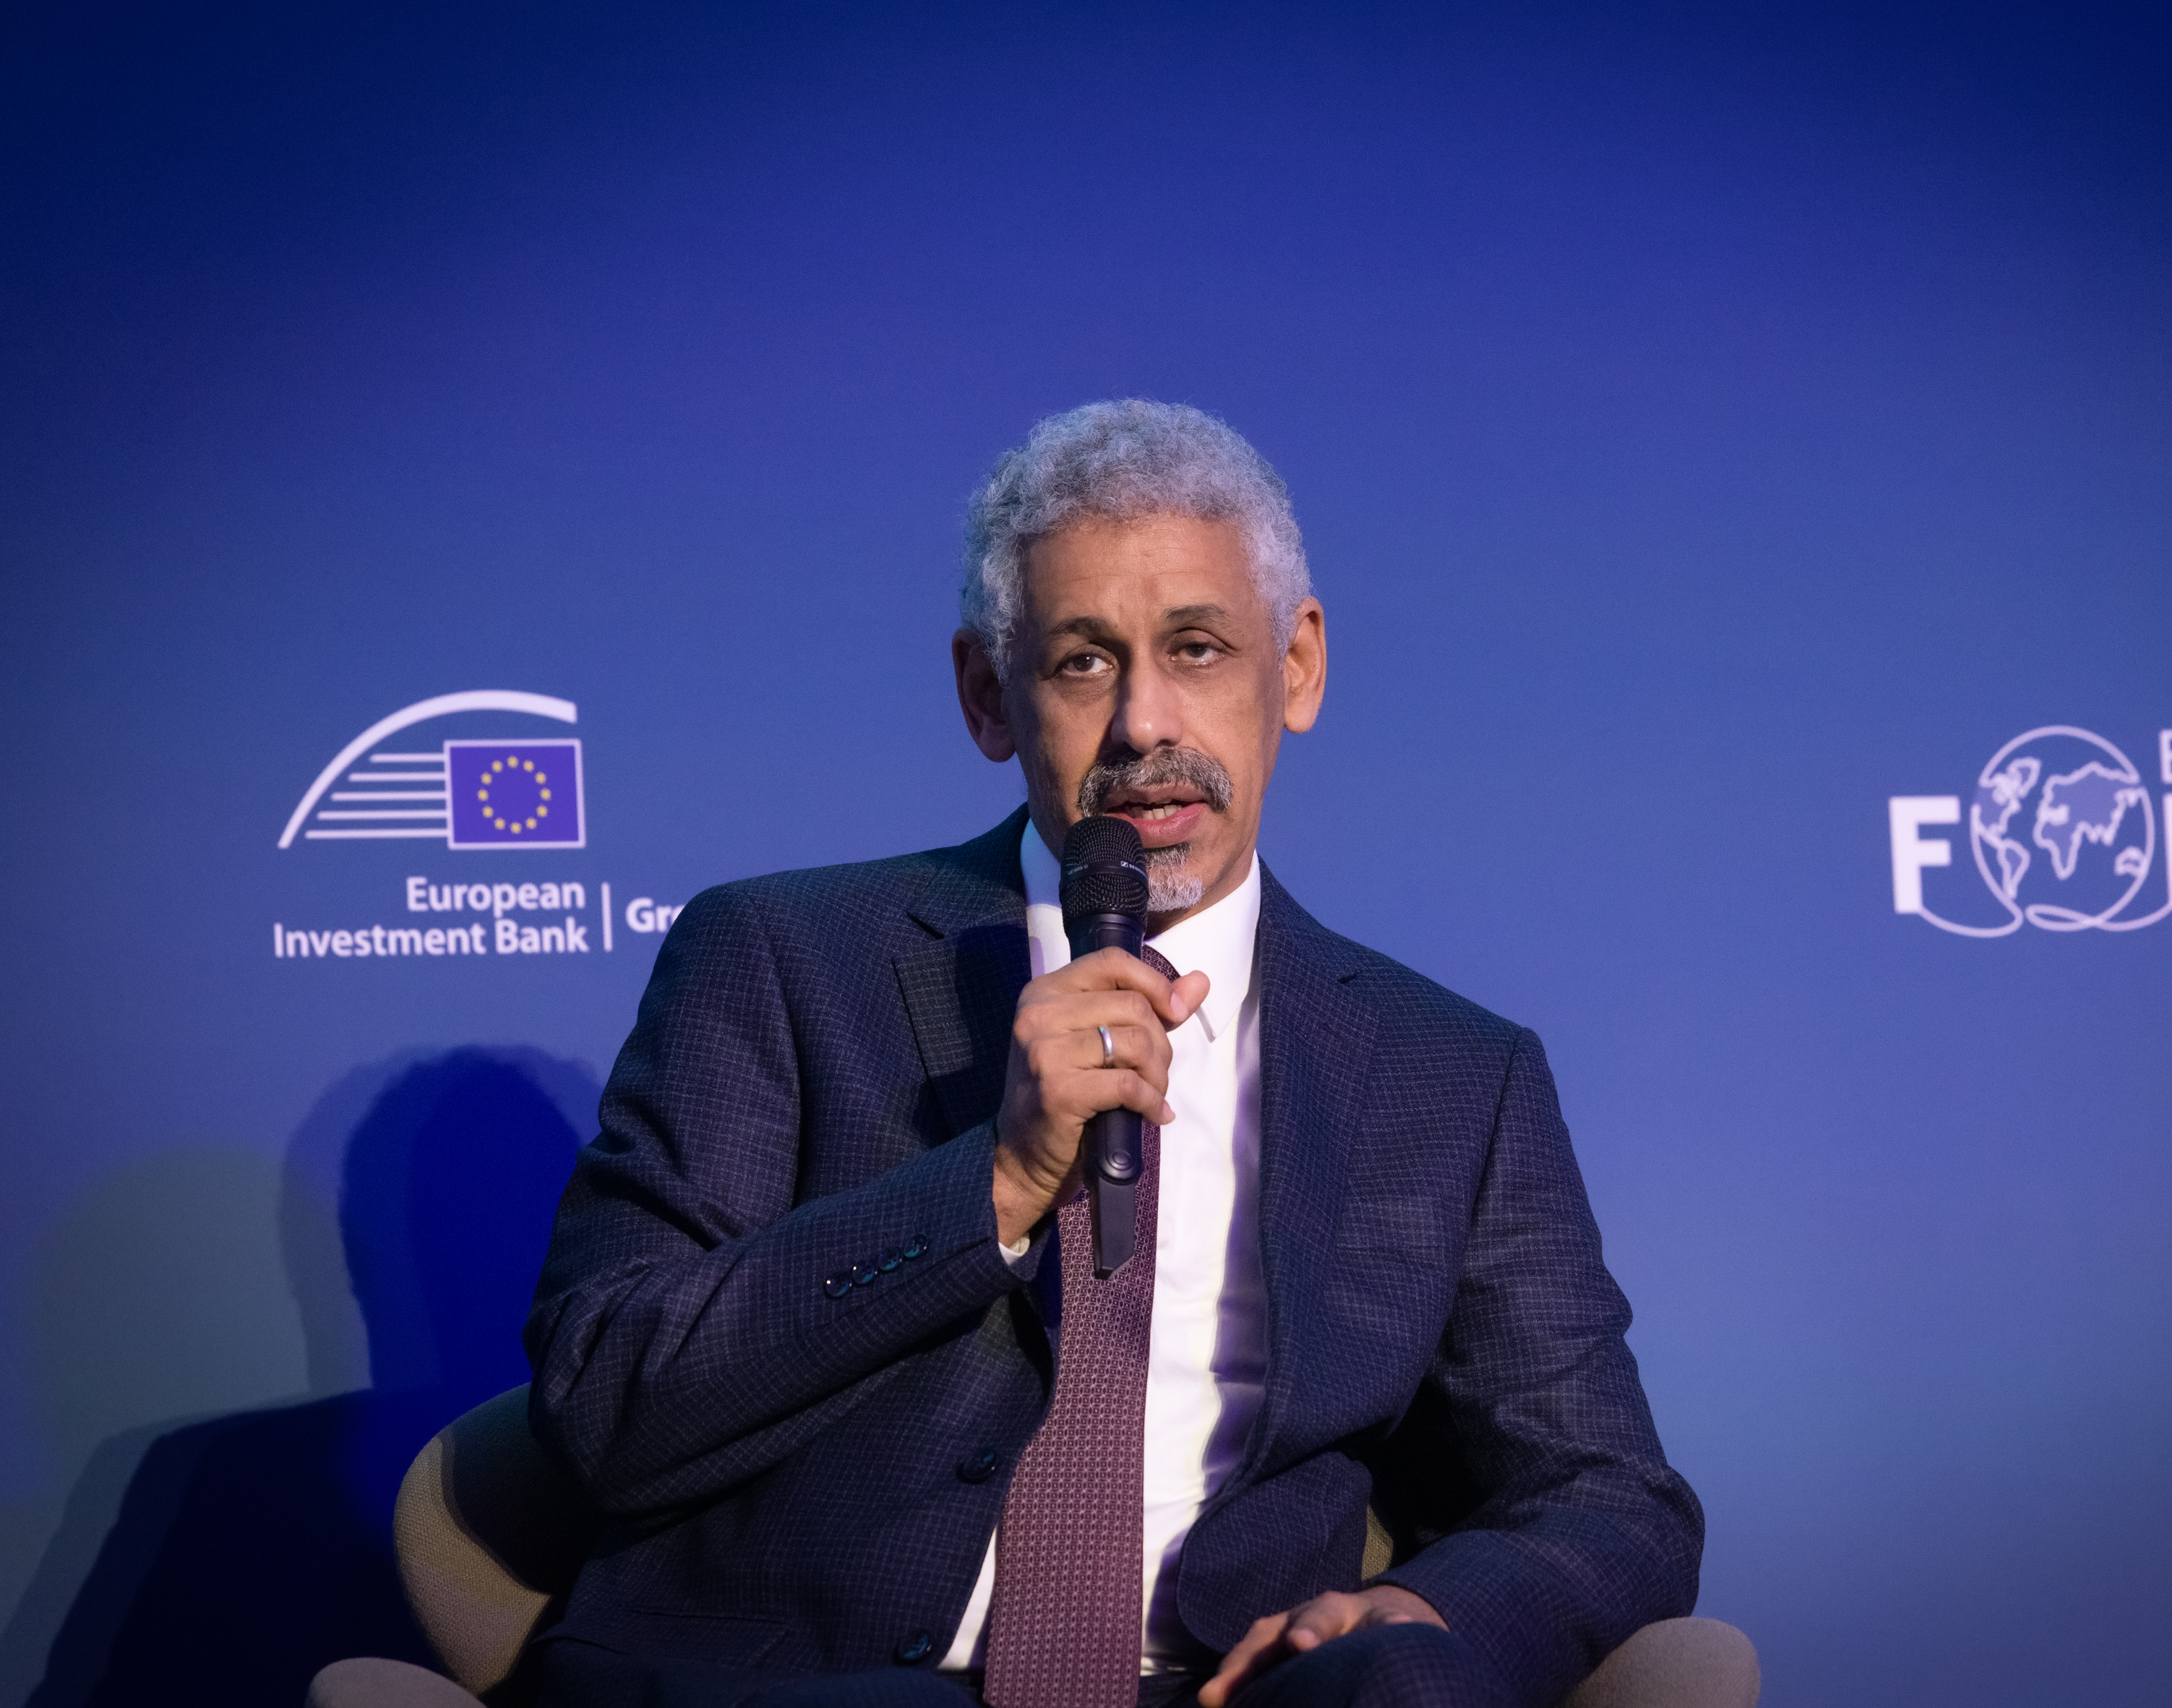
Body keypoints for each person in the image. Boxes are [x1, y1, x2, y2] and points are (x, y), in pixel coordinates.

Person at [524, 401, 1704, 1708]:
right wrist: (995, 1184)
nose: (1145, 723)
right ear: (989, 695)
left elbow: (1609, 1492)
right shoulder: (782, 957)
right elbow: (602, 1399)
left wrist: (1422, 1609)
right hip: (831, 1675)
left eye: (1198, 647)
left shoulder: (1451, 1076)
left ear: (1297, 666)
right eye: (1083, 662)